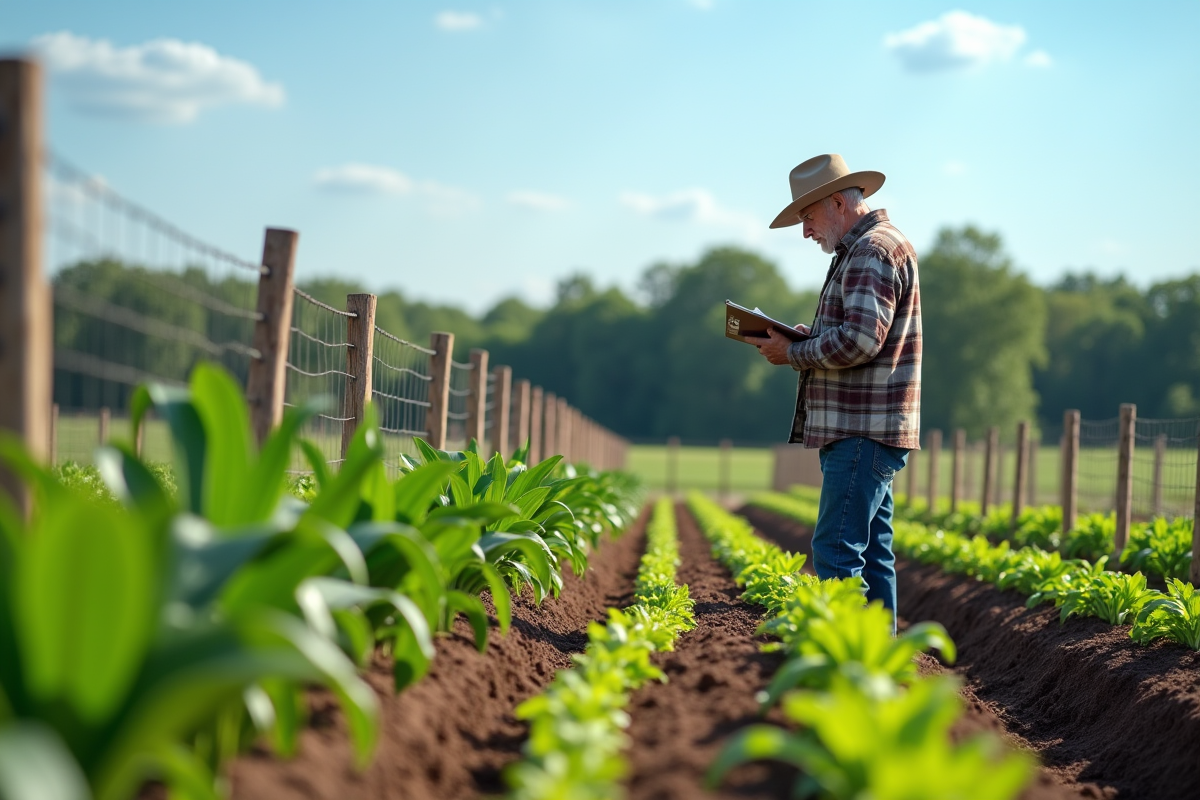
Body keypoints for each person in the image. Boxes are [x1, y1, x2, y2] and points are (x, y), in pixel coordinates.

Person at [745, 153, 921, 626]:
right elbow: (861, 332)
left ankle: (847, 661)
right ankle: (879, 657)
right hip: (873, 426)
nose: (805, 231)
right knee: (873, 551)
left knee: (837, 551)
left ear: (838, 203)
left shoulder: (869, 252)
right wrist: (811, 335)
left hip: (861, 428)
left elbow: (862, 340)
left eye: (807, 217)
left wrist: (794, 353)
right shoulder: (878, 246)